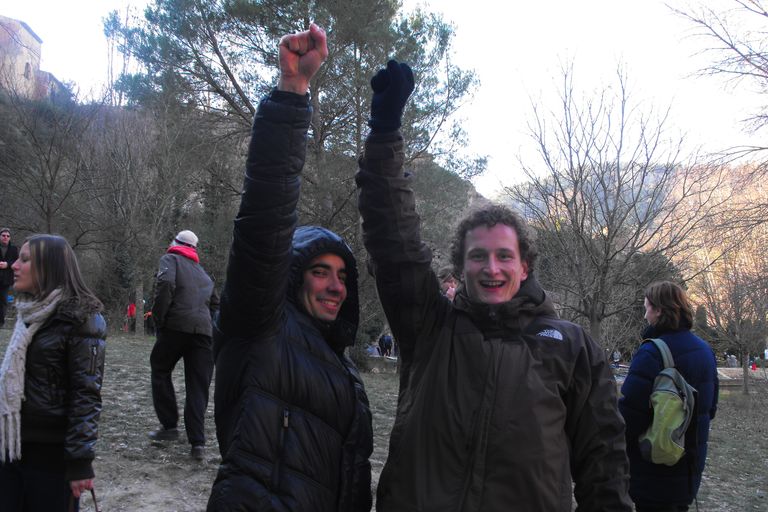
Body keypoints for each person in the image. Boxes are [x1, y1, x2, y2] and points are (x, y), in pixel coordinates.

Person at [356, 59, 632, 511]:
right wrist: (385, 131)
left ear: (525, 266)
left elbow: (605, 464)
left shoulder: (571, 347)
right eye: (478, 256)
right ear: (460, 267)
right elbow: (394, 243)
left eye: (505, 256)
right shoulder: (430, 328)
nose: (492, 268)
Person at [206, 24, 373, 511]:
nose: (335, 286)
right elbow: (264, 220)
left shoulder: (341, 364)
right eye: (320, 271)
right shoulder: (262, 325)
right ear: (293, 275)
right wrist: (293, 92)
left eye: (343, 276)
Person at [0, 234, 106, 511]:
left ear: (49, 267)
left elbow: (86, 394)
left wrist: (80, 461)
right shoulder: (28, 314)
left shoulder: (82, 319)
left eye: (24, 260)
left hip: (51, 456)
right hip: (11, 445)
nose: (14, 265)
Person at [619, 281, 719, 512]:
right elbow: (710, 408)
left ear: (659, 310)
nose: (645, 316)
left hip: (655, 468)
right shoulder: (705, 350)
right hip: (690, 464)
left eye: (647, 308)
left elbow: (629, 418)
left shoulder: (652, 352)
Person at [148, 229, 219, 461]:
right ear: (194, 249)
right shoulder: (204, 274)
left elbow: (166, 285)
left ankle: (169, 427)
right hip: (203, 334)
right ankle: (197, 444)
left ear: (176, 243)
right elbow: (215, 304)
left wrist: (160, 319)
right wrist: (208, 323)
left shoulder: (170, 259)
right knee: (198, 386)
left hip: (176, 327)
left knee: (160, 368)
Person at [0, 228, 19, 327]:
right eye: (3, 235)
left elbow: (17, 262)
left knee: (4, 301)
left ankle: (1, 323)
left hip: (6, 280)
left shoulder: (14, 249)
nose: (5, 237)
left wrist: (7, 264)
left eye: (7, 236)